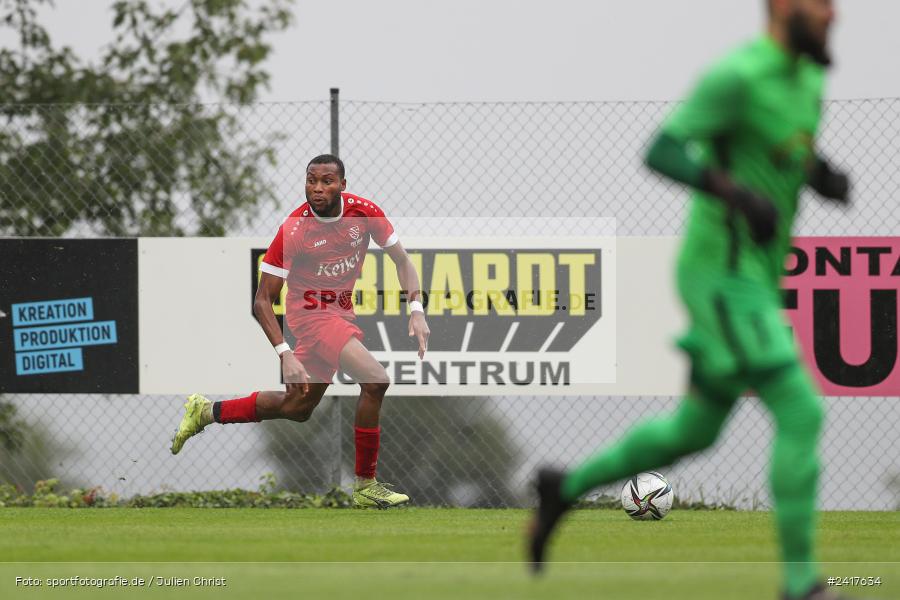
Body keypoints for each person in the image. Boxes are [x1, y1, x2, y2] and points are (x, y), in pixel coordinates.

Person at [529, 1, 853, 598]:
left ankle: (565, 487)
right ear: (782, 7)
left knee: (694, 432)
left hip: (756, 275)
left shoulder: (808, 78)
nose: (834, 14)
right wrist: (734, 194)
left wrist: (821, 174)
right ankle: (803, 584)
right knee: (801, 410)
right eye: (822, 3)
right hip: (719, 274)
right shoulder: (735, 75)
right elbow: (663, 150)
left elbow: (784, 149)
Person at [170, 154, 430, 509]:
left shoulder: (364, 213)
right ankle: (366, 485)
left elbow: (402, 261)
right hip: (310, 317)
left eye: (327, 181)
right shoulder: (293, 228)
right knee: (375, 380)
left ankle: (206, 411)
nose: (318, 188)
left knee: (297, 407)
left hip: (340, 314)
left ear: (342, 185)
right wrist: (285, 353)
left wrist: (416, 310)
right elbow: (262, 301)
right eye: (311, 180)